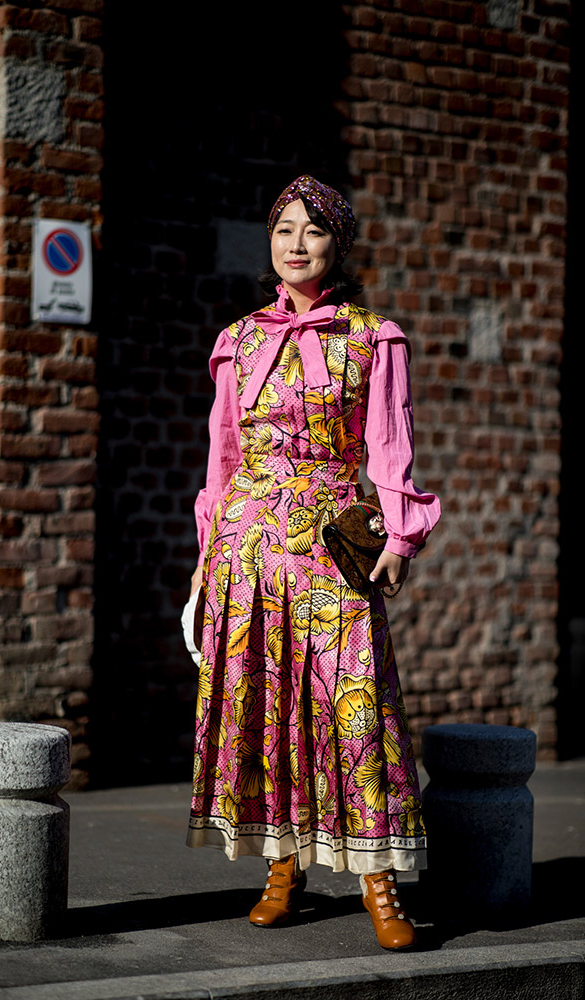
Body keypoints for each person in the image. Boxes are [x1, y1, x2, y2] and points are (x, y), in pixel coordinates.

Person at [184, 175, 440, 950]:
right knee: (264, 702)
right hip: (246, 546)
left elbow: (389, 445)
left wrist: (399, 537)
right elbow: (221, 461)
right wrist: (205, 560)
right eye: (284, 230)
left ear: (337, 245)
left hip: (331, 544)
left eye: (313, 231)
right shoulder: (239, 340)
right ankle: (281, 870)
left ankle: (380, 882)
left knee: (354, 706)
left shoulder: (371, 336)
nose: (295, 244)